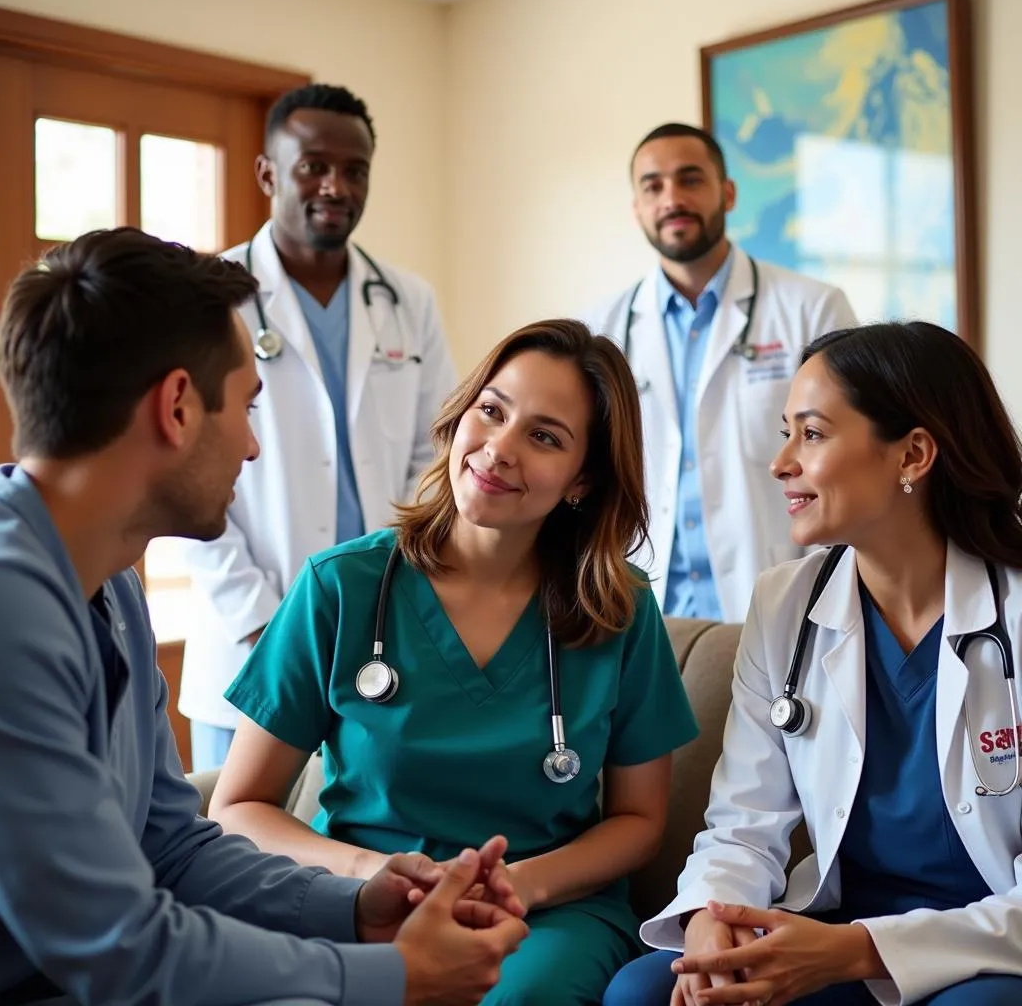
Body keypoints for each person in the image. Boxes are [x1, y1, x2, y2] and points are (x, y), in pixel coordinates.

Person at [0, 227, 527, 1006]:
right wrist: (395, 978)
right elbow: (117, 942)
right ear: (177, 407)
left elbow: (171, 848)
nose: (251, 446)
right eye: (246, 406)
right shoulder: (12, 608)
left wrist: (356, 907)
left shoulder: (112, 588)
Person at [207, 319, 699, 1005]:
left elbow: (639, 823)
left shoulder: (618, 609)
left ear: (583, 478)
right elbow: (240, 805)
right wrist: (376, 873)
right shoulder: (340, 587)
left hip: (543, 914)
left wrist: (515, 886)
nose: (499, 449)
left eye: (544, 436)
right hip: (359, 901)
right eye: (491, 411)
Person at [604, 321, 1022, 1006]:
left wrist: (856, 950)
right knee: (644, 993)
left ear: (913, 454)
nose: (781, 463)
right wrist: (713, 918)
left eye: (813, 433)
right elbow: (743, 824)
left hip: (983, 949)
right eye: (784, 433)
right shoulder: (786, 604)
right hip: (834, 936)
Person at [179, 83, 458, 770]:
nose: (335, 185)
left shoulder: (407, 300)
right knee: (236, 844)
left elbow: (436, 454)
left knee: (355, 844)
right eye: (313, 165)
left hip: (377, 632)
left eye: (354, 169)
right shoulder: (209, 295)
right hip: (249, 637)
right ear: (268, 172)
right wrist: (259, 623)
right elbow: (179, 468)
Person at [585, 122, 855, 623]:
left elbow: (849, 461)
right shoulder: (601, 329)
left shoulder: (812, 309)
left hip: (781, 600)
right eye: (653, 186)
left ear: (727, 193)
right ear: (638, 208)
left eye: (690, 180)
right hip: (643, 608)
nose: (672, 198)